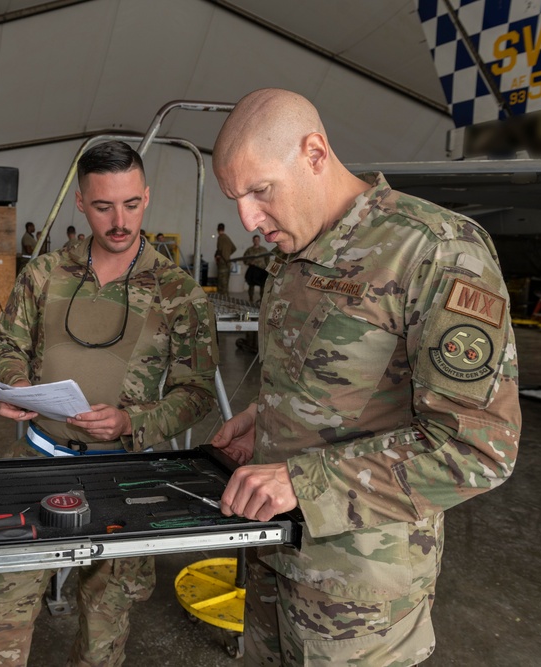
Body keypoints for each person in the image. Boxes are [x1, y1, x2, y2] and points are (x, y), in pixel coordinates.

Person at [210, 88, 521, 665]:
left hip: (359, 600)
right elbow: (335, 386)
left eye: (260, 191)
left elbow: (478, 448)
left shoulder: (435, 250)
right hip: (273, 558)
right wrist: (269, 421)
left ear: (315, 152)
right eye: (236, 198)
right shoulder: (291, 256)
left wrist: (302, 481)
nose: (248, 219)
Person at [0, 140, 219, 667]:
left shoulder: (178, 292)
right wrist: (15, 386)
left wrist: (133, 420)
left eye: (131, 204)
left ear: (147, 197)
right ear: (81, 205)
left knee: (105, 627)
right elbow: (10, 345)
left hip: (122, 478)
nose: (119, 220)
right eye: (104, 206)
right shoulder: (43, 275)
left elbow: (197, 391)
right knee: (4, 615)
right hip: (39, 465)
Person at [241, 234, 269, 304]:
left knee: (262, 285)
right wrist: (250, 262)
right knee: (251, 284)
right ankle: (251, 299)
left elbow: (267, 260)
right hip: (253, 269)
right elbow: (245, 259)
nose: (256, 241)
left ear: (259, 240)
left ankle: (262, 300)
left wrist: (268, 269)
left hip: (262, 269)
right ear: (253, 240)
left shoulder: (264, 250)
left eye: (258, 240)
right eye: (255, 240)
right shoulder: (249, 250)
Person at [214, 222, 235, 294]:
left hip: (222, 263)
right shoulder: (227, 238)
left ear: (217, 230)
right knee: (225, 285)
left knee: (221, 286)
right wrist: (227, 255)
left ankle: (222, 302)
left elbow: (219, 250)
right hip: (228, 263)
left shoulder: (220, 238)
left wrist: (219, 256)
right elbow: (234, 248)